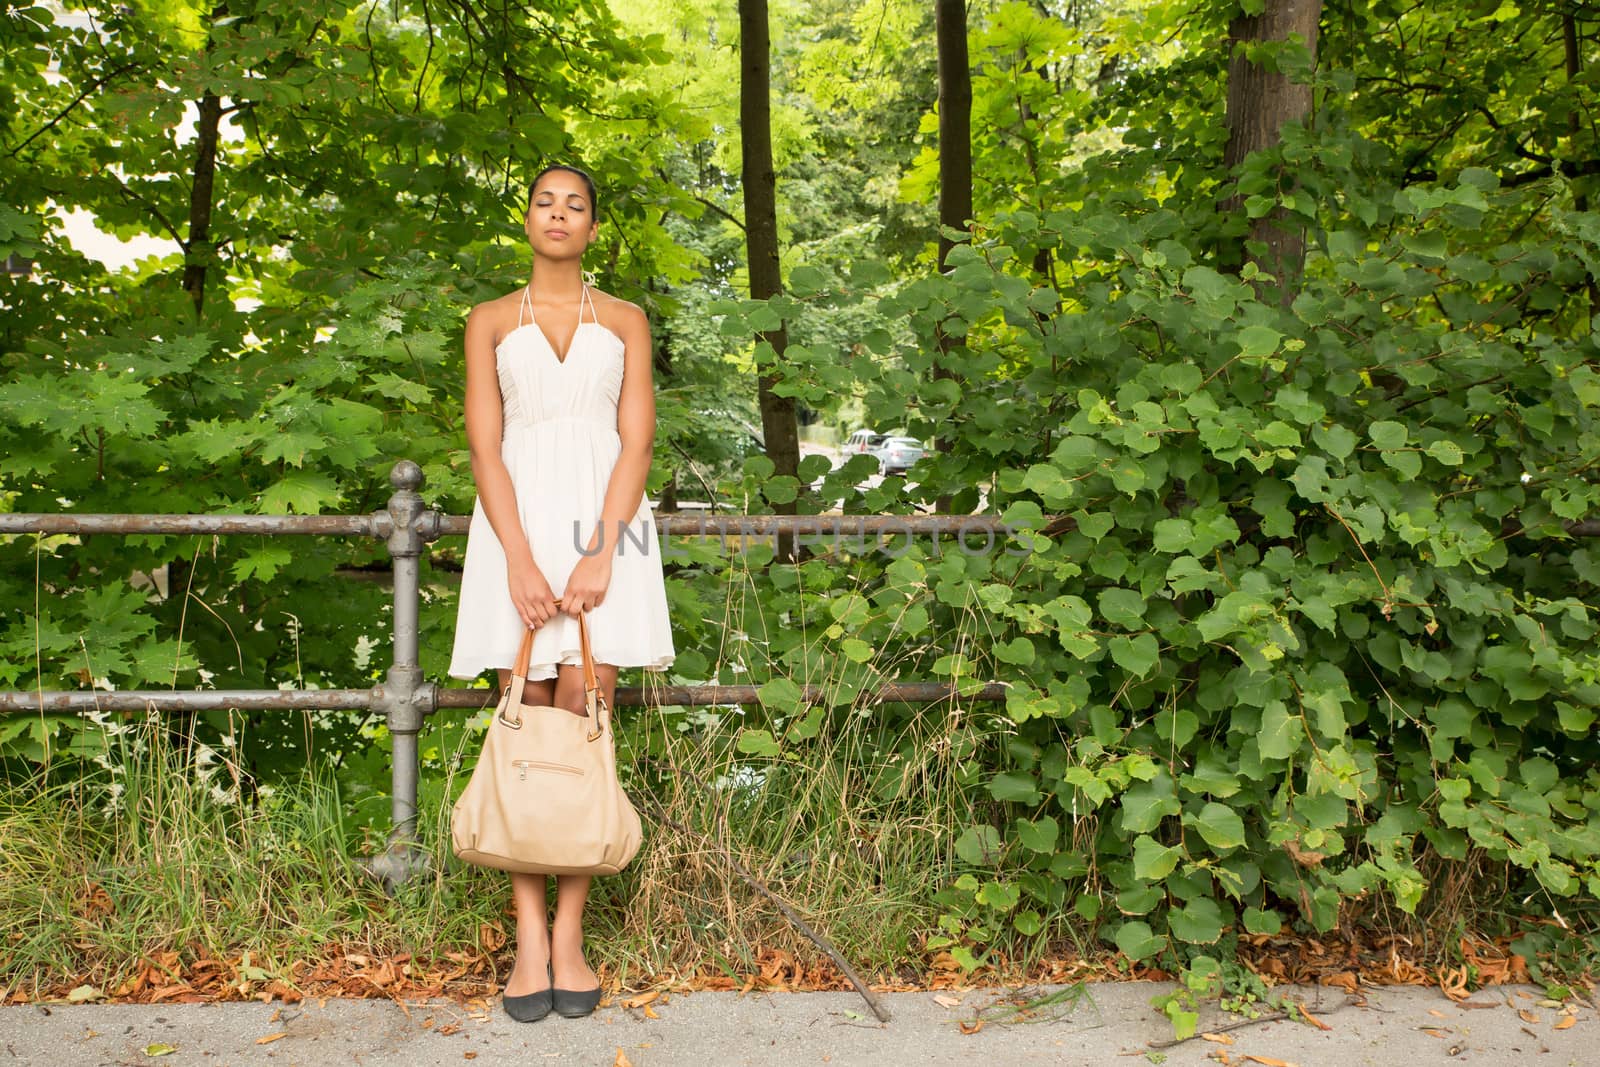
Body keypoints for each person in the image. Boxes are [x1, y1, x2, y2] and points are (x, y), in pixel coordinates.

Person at [447, 164, 675, 1022]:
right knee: (522, 719)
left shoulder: (624, 320)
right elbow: (484, 448)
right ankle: (528, 938)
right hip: (515, 534)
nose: (558, 213)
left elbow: (636, 443)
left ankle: (572, 937)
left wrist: (600, 553)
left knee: (584, 721)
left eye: (575, 203)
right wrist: (519, 560)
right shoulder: (490, 321)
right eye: (545, 200)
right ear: (528, 217)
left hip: (604, 538)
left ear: (592, 226)